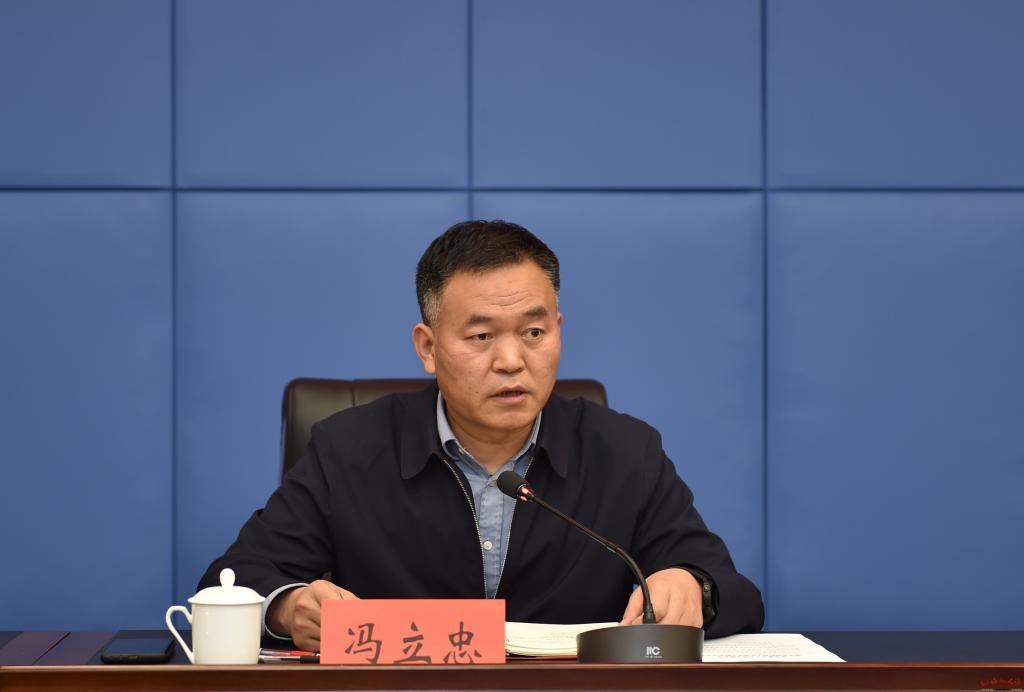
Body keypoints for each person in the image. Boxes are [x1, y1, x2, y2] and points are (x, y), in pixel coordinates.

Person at [200, 220, 764, 651]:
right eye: (481, 337)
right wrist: (288, 608)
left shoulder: (625, 453)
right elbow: (234, 580)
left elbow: (733, 590)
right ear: (428, 348)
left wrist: (693, 588)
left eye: (534, 332)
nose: (512, 360)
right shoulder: (347, 450)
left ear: (559, 331)